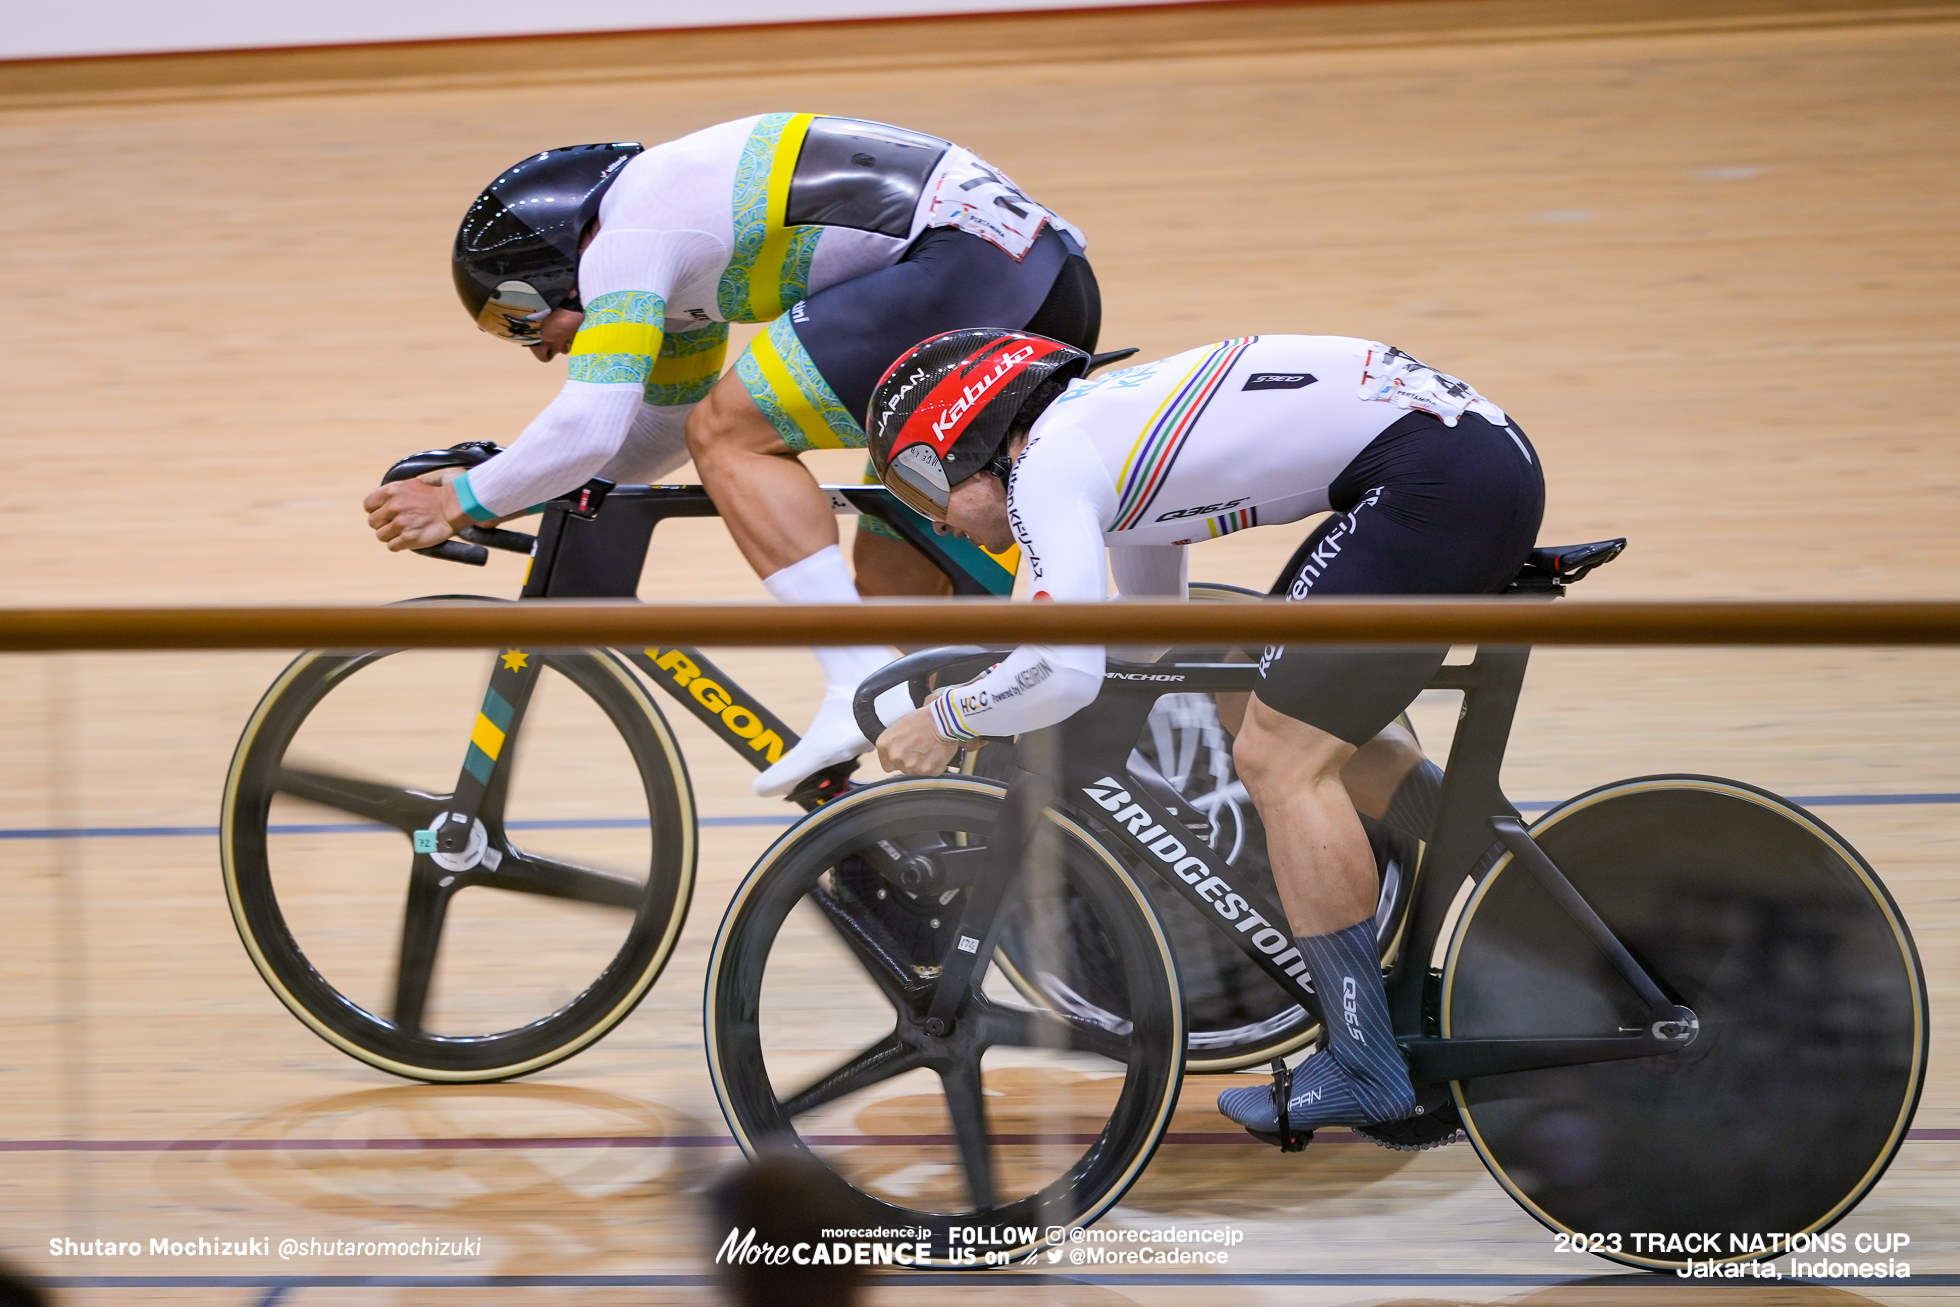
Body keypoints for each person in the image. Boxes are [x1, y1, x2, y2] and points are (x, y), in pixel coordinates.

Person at [865, 329, 1544, 1135]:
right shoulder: (1091, 439)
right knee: (1246, 676)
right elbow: (1155, 634)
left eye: (920, 485)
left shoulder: (1049, 464)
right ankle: (1534, 894)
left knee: (1281, 760)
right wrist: (1011, 685)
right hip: (1465, 462)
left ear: (972, 439)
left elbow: (1068, 670)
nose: (934, 523)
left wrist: (947, 718)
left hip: (1433, 480)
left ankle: (1364, 1060)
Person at [363, 116, 1100, 797]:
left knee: (729, 433)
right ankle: (993, 784)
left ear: (556, 262)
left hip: (962, 273)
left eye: (520, 319)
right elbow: (647, 434)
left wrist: (456, 501)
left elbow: (601, 429)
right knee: (891, 581)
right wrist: (506, 482)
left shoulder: (621, 240)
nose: (538, 350)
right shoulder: (677, 273)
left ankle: (852, 675)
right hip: (1037, 280)